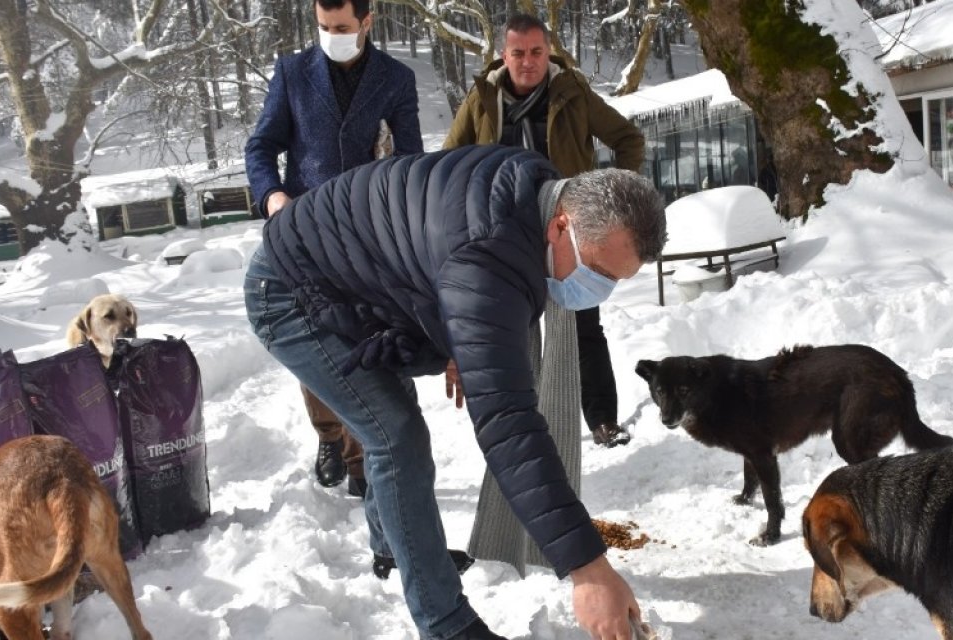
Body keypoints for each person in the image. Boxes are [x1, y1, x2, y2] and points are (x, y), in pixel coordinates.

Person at [244, 144, 667, 640]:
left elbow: (435, 258)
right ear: (561, 225)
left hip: (359, 282)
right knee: (396, 437)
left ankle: (392, 544)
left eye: (614, 281)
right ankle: (446, 625)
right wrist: (588, 569)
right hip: (292, 292)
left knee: (392, 426)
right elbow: (509, 426)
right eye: (599, 273)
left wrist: (459, 339)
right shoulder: (487, 254)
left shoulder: (533, 195)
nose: (599, 290)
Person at [244, 0, 421, 501]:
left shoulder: (394, 77)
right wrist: (272, 195)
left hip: (366, 231)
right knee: (315, 335)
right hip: (301, 230)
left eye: (342, 27)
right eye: (323, 27)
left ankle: (364, 454)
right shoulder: (292, 73)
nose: (331, 35)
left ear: (367, 22)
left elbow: (410, 159)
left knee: (361, 333)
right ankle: (328, 437)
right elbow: (261, 146)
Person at [443, 14, 644, 450]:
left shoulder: (572, 93)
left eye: (536, 52)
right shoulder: (481, 99)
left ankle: (603, 421)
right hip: (505, 235)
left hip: (570, 229)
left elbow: (629, 139)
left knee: (583, 327)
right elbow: (445, 165)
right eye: (518, 53)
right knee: (515, 332)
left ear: (547, 51)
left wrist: (611, 201)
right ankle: (527, 429)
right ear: (503, 55)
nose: (528, 62)